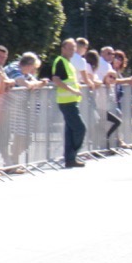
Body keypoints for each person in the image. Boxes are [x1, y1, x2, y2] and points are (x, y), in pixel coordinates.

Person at [51, 38, 86, 168]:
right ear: (63, 49)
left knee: (70, 131)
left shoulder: (69, 63)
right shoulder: (60, 61)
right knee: (80, 128)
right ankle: (72, 154)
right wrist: (73, 90)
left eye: (74, 48)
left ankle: (70, 159)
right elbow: (56, 80)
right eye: (70, 48)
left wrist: (77, 87)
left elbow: (69, 80)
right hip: (66, 101)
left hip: (71, 100)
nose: (72, 51)